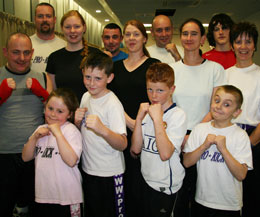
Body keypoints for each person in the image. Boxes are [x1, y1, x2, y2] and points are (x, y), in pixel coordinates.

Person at [169, 18, 226, 217]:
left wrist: (192, 136)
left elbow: (216, 107)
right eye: (185, 33)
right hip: (175, 137)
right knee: (179, 195)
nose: (189, 38)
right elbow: (167, 106)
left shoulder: (215, 69)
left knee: (201, 194)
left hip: (203, 137)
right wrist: (180, 136)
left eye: (194, 34)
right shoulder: (172, 70)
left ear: (202, 39)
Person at [108, 19, 159, 217]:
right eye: (127, 34)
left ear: (145, 38)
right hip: (119, 131)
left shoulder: (154, 66)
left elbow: (158, 99)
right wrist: (128, 122)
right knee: (123, 182)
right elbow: (108, 99)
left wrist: (136, 124)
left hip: (145, 132)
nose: (131, 38)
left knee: (141, 183)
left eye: (136, 34)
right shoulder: (115, 67)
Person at [0, 32, 51, 217]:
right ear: (5, 52)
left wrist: (43, 94)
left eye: (26, 52)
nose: (22, 58)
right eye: (16, 52)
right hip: (4, 153)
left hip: (36, 152)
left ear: (32, 52)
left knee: (34, 206)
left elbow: (56, 113)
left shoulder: (42, 77)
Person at [183, 85, 252, 217]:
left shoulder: (240, 135)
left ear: (236, 112)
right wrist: (204, 146)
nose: (219, 106)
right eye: (217, 100)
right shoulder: (200, 129)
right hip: (201, 200)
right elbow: (186, 162)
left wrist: (223, 150)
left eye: (226, 104)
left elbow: (241, 174)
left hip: (228, 204)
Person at [74, 52, 127, 217]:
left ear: (109, 78)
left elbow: (123, 143)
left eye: (98, 78)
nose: (91, 83)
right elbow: (81, 130)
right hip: (89, 169)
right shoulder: (85, 97)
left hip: (109, 173)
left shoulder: (113, 104)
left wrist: (103, 129)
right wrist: (76, 122)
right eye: (87, 77)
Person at [131, 62, 187, 217]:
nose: (153, 96)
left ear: (172, 90)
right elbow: (135, 150)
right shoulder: (148, 111)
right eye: (150, 89)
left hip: (166, 186)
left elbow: (165, 154)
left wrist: (157, 120)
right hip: (146, 181)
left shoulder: (178, 115)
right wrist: (139, 119)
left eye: (160, 90)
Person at [22, 88, 83, 217]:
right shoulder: (40, 129)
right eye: (50, 108)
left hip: (68, 199)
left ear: (69, 114)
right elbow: (25, 157)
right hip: (43, 196)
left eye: (60, 111)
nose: (53, 114)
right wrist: (34, 138)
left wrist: (58, 134)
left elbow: (71, 161)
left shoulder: (70, 131)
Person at [226, 21, 260, 217]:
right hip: (228, 137)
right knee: (228, 194)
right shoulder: (226, 74)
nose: (243, 47)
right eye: (238, 42)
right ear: (232, 46)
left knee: (251, 195)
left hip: (253, 138)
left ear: (254, 45)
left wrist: (248, 143)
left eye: (248, 42)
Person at [46, 10, 101, 101]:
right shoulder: (54, 57)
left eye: (77, 26)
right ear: (62, 28)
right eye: (68, 27)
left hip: (91, 112)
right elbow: (52, 92)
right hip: (63, 113)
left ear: (84, 28)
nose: (72, 31)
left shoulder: (97, 55)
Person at [30, 2, 66, 74]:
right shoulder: (26, 44)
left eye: (48, 16)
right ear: (35, 19)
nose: (44, 20)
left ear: (54, 19)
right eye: (40, 16)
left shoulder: (65, 46)